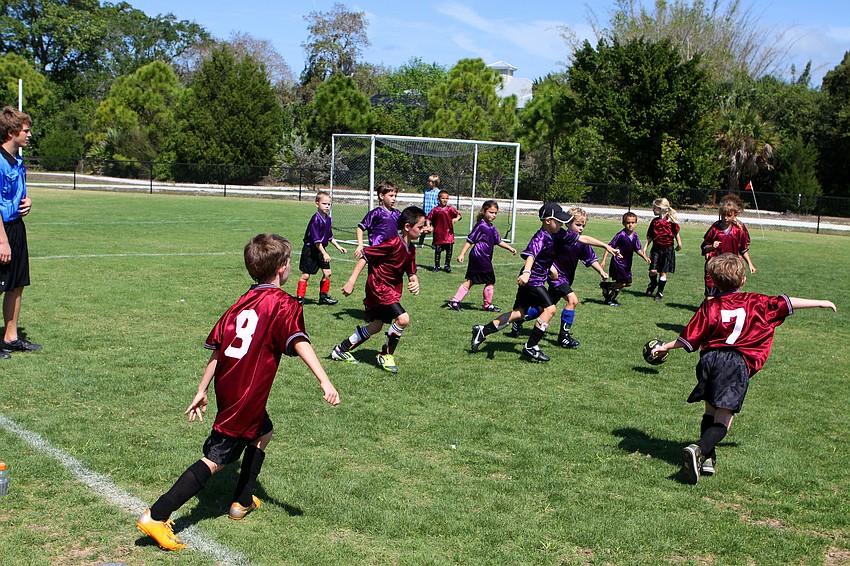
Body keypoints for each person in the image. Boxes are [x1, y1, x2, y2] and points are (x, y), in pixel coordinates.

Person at [136, 234, 341, 551]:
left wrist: (202, 389)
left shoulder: (241, 302)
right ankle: (156, 515)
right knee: (215, 459)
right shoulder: (283, 303)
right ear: (282, 267)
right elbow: (299, 341)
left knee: (264, 431)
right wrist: (325, 381)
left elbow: (218, 350)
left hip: (230, 386)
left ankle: (241, 501)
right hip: (246, 394)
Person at [649, 253, 836, 485]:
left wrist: (666, 346)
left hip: (709, 361)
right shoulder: (757, 302)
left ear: (713, 281)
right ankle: (698, 449)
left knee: (710, 411)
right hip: (735, 365)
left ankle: (707, 459)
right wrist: (820, 302)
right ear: (743, 280)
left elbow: (690, 336)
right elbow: (786, 301)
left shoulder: (710, 306)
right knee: (723, 421)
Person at [470, 203, 572, 363]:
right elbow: (531, 255)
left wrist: (605, 246)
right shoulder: (540, 236)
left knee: (519, 314)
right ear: (548, 221)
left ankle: (482, 331)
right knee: (550, 309)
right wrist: (526, 273)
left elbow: (579, 240)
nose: (561, 224)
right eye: (558, 221)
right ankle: (531, 346)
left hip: (533, 280)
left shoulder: (555, 234)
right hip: (532, 280)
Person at [330, 206, 425, 373]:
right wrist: (351, 281)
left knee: (376, 326)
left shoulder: (411, 249)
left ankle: (341, 349)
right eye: (420, 227)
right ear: (407, 227)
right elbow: (365, 255)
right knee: (403, 319)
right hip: (379, 287)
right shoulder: (392, 243)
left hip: (390, 289)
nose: (424, 230)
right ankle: (386, 355)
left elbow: (411, 272)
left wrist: (415, 282)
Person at [511, 207, 620, 348]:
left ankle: (519, 319)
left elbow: (590, 258)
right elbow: (545, 254)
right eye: (578, 225)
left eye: (583, 226)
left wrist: (601, 271)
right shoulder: (560, 237)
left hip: (567, 279)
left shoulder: (581, 242)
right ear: (567, 223)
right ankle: (564, 336)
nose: (581, 228)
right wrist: (551, 268)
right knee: (572, 300)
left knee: (544, 308)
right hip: (556, 278)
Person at [0, 106, 40, 357]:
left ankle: (10, 338)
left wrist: (28, 202)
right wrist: (2, 241)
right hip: (2, 230)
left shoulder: (18, 162)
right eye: (26, 130)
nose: (29, 134)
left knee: (16, 284)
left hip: (16, 227)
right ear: (11, 132)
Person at [448, 200, 516, 312]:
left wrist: (509, 248)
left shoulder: (491, 227)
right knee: (490, 280)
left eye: (495, 213)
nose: (493, 215)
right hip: (480, 256)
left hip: (483, 257)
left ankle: (455, 300)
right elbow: (470, 240)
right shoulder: (481, 225)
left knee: (472, 280)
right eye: (491, 212)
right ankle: (487, 305)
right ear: (484, 211)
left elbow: (498, 241)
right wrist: (462, 253)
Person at [296, 191, 347, 305]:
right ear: (317, 204)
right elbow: (316, 241)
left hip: (321, 249)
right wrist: (324, 253)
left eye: (329, 204)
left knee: (327, 273)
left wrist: (338, 246)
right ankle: (300, 298)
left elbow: (329, 236)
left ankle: (323, 297)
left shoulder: (328, 219)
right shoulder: (315, 220)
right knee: (306, 275)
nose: (327, 206)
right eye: (324, 204)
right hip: (310, 250)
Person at [701, 193, 756, 299]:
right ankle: (708, 308)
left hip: (730, 267)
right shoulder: (715, 228)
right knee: (710, 296)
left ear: (734, 215)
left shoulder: (738, 230)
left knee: (728, 296)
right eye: (723, 215)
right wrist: (711, 247)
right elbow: (704, 247)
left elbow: (743, 249)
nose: (725, 218)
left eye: (729, 215)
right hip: (714, 266)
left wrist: (750, 264)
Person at [599, 212, 650, 307]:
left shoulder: (635, 236)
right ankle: (610, 299)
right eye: (628, 222)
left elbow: (637, 249)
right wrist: (604, 260)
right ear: (623, 223)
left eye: (632, 222)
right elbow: (609, 247)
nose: (630, 225)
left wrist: (645, 257)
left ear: (636, 223)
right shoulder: (621, 235)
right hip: (618, 262)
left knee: (628, 283)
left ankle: (606, 286)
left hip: (627, 263)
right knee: (622, 283)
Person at [645, 197, 682, 301]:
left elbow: (676, 233)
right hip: (656, 249)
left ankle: (659, 293)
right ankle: (653, 283)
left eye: (654, 208)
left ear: (660, 209)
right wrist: (645, 247)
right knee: (652, 270)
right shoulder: (654, 222)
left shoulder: (671, 222)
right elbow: (650, 236)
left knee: (663, 272)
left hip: (667, 249)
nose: (652, 210)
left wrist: (679, 244)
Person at [354, 181, 401, 260]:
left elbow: (406, 226)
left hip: (392, 253)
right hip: (377, 253)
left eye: (395, 196)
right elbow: (360, 228)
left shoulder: (397, 214)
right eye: (391, 195)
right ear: (381, 196)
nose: (394, 198)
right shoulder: (376, 213)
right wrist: (360, 244)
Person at [426, 189, 462, 272]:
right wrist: (429, 226)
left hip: (449, 234)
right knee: (438, 251)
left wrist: (456, 218)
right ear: (438, 199)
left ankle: (447, 265)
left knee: (449, 251)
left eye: (446, 198)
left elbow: (459, 215)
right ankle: (437, 266)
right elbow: (428, 219)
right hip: (438, 234)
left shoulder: (450, 209)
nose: (445, 200)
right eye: (443, 198)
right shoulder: (435, 210)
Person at [418, 174, 442, 247]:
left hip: (435, 215)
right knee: (424, 228)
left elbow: (439, 204)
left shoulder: (438, 192)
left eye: (430, 181)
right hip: (426, 213)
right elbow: (424, 202)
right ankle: (420, 242)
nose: (428, 182)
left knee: (435, 229)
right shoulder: (427, 191)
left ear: (434, 183)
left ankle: (435, 243)